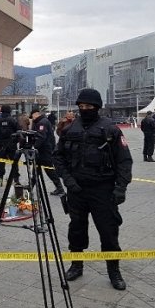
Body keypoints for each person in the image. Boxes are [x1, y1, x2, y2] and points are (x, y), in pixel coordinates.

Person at [53, 89, 132, 290]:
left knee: (108, 232)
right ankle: (76, 265)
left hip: (103, 190)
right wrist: (68, 181)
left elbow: (124, 161)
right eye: (81, 107)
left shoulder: (110, 130)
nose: (84, 110)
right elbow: (58, 157)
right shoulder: (70, 129)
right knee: (76, 229)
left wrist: (120, 188)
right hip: (77, 190)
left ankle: (114, 271)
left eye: (88, 107)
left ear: (97, 107)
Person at [29, 108, 65, 196]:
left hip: (45, 151)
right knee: (36, 169)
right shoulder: (40, 121)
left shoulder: (42, 122)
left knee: (49, 170)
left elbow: (41, 136)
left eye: (32, 116)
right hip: (42, 150)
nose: (32, 118)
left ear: (36, 114)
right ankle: (31, 186)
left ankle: (60, 188)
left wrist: (34, 146)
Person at [0, 105, 19, 184]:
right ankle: (16, 179)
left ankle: (0, 179)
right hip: (11, 144)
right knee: (14, 162)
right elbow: (18, 132)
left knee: (1, 163)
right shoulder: (13, 120)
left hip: (0, 144)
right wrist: (15, 141)